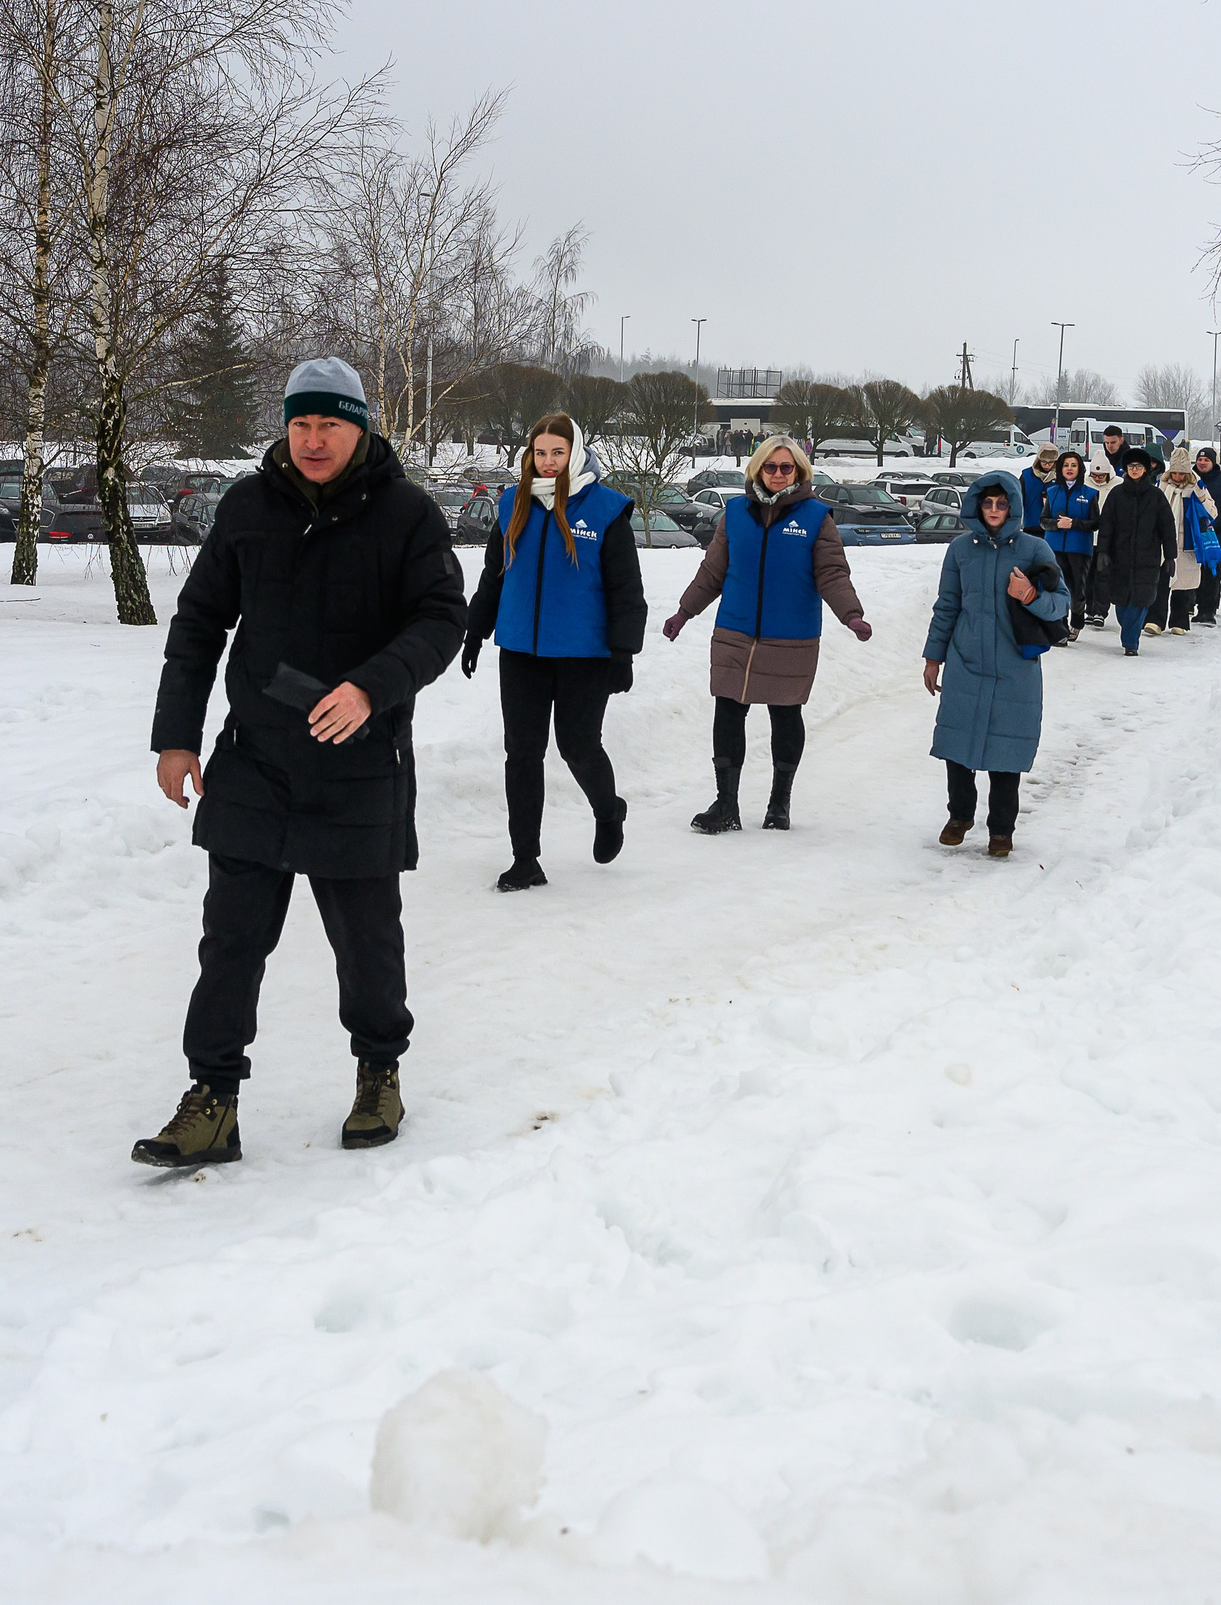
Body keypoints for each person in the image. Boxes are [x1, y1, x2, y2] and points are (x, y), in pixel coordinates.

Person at [140, 357, 466, 1166]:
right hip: (257, 760)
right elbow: (200, 620)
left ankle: (378, 1071)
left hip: (358, 761)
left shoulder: (407, 515)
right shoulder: (249, 507)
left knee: (365, 942)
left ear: (361, 428)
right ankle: (213, 1099)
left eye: (330, 424)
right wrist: (177, 733)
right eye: (301, 423)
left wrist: (370, 687)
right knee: (231, 940)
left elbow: (440, 619)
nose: (314, 439)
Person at [460, 412, 644, 893]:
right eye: (540, 453)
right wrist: (475, 632)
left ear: (575, 453)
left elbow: (626, 589)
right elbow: (494, 575)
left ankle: (609, 810)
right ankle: (526, 858)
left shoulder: (606, 509)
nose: (547, 462)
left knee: (577, 746)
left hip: (585, 654)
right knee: (521, 753)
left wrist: (623, 652)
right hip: (520, 650)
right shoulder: (511, 503)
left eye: (557, 453)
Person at [665, 433, 870, 833]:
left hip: (790, 635)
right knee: (727, 711)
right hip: (735, 630)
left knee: (786, 714)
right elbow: (713, 572)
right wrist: (683, 612)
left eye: (786, 467)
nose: (778, 474)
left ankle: (779, 804)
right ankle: (726, 805)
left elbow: (832, 574)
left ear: (799, 471)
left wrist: (852, 615)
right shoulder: (736, 514)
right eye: (771, 466)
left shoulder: (816, 518)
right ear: (758, 468)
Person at [922, 470, 1070, 857]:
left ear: (1013, 507)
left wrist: (1030, 595)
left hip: (1015, 668)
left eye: (1001, 503)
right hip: (966, 661)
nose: (993, 509)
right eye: (987, 503)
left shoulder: (1035, 549)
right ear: (975, 504)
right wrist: (933, 656)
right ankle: (960, 816)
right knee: (956, 745)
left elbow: (1061, 605)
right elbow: (947, 606)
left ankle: (1001, 830)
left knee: (1007, 755)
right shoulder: (959, 550)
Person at [1096, 448, 1176, 655]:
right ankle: (1129, 632)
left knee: (1140, 600)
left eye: (1138, 466)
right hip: (1119, 556)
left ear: (1146, 469)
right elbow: (1106, 524)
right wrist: (1103, 551)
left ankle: (1131, 643)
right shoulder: (1116, 494)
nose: (1134, 470)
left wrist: (1170, 556)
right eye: (1131, 466)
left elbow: (1167, 527)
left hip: (1147, 557)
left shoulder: (1156, 496)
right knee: (1122, 604)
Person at [1042, 450, 1099, 635]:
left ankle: (1077, 619)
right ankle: (1061, 625)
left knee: (1077, 588)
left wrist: (1075, 523)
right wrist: (1057, 524)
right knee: (1058, 587)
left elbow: (1096, 523)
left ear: (1080, 469)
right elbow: (1043, 520)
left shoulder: (1089, 493)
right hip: (1055, 548)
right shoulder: (1052, 492)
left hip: (1079, 548)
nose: (1069, 468)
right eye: (1066, 465)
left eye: (1073, 465)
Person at [1169, 448, 1221, 629]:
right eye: (1174, 473)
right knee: (1162, 583)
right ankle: (1156, 620)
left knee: (1184, 585)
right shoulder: (1163, 486)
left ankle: (1181, 621)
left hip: (1189, 543)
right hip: (1167, 541)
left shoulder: (1197, 487)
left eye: (1181, 473)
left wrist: (1200, 495)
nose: (1177, 477)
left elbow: (1213, 513)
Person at [1190, 446, 1221, 625]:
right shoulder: (1189, 480)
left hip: (1215, 538)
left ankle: (1208, 609)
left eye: (1206, 460)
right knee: (1194, 574)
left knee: (1212, 574)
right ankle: (1192, 605)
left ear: (1213, 463)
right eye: (1200, 460)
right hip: (1192, 537)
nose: (1202, 463)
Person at [1079, 455, 1118, 628]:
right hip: (1088, 537)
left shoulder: (1118, 485)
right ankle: (1089, 608)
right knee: (1087, 576)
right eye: (1094, 475)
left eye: (1101, 476)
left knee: (1103, 575)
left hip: (1108, 539)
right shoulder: (1085, 485)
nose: (1097, 479)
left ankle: (1100, 611)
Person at [1020, 444, 1058, 535]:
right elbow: (1018, 499)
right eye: (1044, 462)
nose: (1047, 465)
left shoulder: (1059, 477)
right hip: (1031, 525)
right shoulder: (1026, 476)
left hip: (1052, 527)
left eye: (1051, 462)